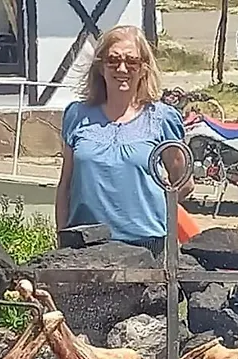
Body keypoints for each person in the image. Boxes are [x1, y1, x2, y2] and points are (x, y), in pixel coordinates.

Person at [55, 25, 194, 257]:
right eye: (113, 60)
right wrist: (62, 239)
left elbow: (184, 183)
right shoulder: (76, 115)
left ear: (144, 68)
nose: (122, 68)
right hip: (85, 246)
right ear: (100, 67)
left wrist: (146, 210)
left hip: (146, 247)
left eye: (132, 61)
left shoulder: (162, 118)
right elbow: (65, 187)